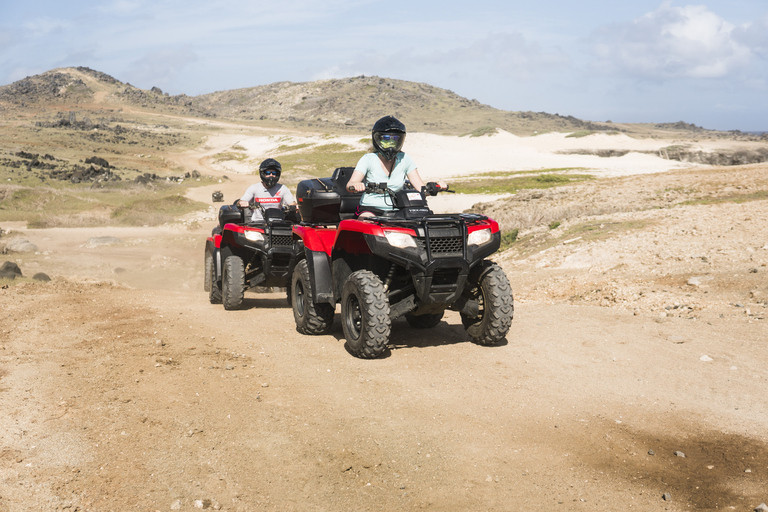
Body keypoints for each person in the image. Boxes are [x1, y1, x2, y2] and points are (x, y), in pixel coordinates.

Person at [346, 115, 447, 217]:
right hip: (371, 209)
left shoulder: (404, 159)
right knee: (367, 221)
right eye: (385, 138)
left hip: (398, 209)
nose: (390, 143)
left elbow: (422, 189)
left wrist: (436, 187)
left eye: (395, 139)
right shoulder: (368, 159)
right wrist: (356, 185)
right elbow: (350, 185)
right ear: (377, 139)